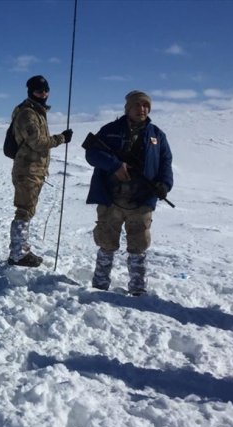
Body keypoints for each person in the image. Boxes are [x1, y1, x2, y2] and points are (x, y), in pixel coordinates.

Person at [84, 90, 173, 295]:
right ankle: (99, 287)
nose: (142, 109)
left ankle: (138, 290)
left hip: (141, 200)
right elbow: (92, 153)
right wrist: (115, 165)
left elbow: (166, 163)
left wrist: (164, 185)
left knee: (139, 246)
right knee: (106, 243)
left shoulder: (157, 135)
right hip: (111, 198)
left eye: (145, 105)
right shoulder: (110, 130)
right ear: (128, 108)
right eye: (137, 105)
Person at [7, 75, 73, 267]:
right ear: (30, 92)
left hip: (34, 169)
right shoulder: (28, 113)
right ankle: (18, 254)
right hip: (27, 170)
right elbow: (38, 142)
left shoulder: (37, 112)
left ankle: (20, 250)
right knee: (24, 210)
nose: (43, 94)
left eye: (45, 90)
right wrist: (61, 138)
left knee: (27, 210)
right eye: (38, 91)